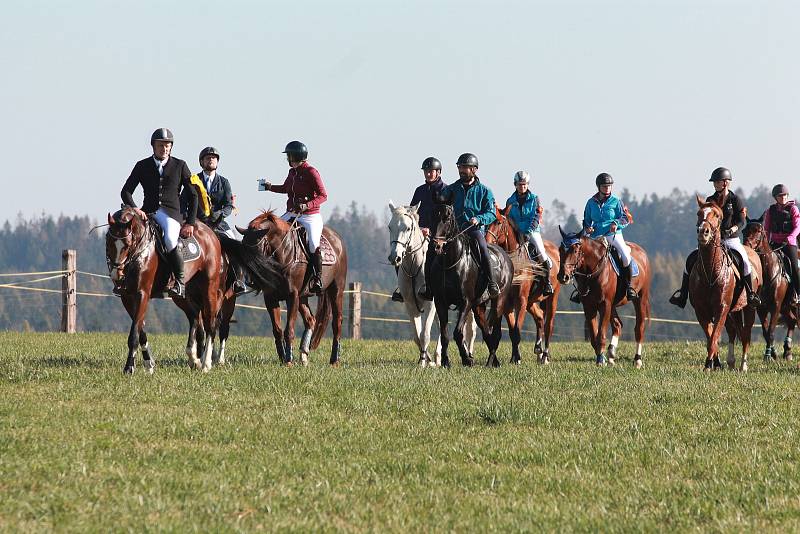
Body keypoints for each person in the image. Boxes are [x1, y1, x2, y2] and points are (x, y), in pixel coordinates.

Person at [669, 167, 761, 308]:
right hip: (712, 240)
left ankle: (751, 294)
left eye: (717, 182)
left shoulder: (735, 200)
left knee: (745, 262)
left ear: (725, 183)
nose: (715, 184)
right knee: (691, 259)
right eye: (714, 182)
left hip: (731, 239)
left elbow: (742, 221)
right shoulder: (710, 200)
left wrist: (732, 229)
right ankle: (683, 294)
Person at [121, 128, 197, 298]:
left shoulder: (180, 165)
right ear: (153, 146)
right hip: (147, 213)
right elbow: (126, 191)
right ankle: (123, 280)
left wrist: (190, 222)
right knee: (128, 239)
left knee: (170, 240)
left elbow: (193, 195)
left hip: (171, 214)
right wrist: (135, 208)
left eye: (168, 145)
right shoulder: (142, 165)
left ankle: (179, 282)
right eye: (161, 145)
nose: (165, 149)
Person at [420, 152, 498, 299]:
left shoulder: (485, 191)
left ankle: (491, 283)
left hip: (473, 230)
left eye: (465, 167)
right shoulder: (451, 189)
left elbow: (492, 213)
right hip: (452, 232)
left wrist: (479, 218)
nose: (461, 170)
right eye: (460, 167)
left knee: (482, 248)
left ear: (474, 169)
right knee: (431, 250)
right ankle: (429, 288)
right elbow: (441, 203)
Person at [259, 141, 327, 294]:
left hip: (310, 216)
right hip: (291, 213)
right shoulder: (292, 172)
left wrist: (307, 205)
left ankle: (317, 278)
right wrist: (270, 187)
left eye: (289, 155)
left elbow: (323, 195)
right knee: (272, 231)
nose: (288, 158)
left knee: (313, 244)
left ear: (296, 156)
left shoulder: (312, 172)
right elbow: (285, 188)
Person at [184, 146, 247, 295]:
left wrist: (220, 214)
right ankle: (179, 279)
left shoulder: (224, 182)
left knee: (236, 245)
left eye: (214, 158)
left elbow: (229, 205)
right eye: (208, 158)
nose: (211, 160)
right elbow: (185, 202)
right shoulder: (194, 180)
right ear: (202, 162)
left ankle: (239, 281)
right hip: (198, 223)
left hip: (219, 224)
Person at [391, 156, 447, 302]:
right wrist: (418, 227)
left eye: (431, 171)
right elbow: (412, 213)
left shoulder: (445, 190)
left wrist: (431, 230)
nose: (428, 173)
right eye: (426, 171)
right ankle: (402, 288)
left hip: (438, 235)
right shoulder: (419, 190)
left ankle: (444, 287)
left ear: (438, 172)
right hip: (419, 232)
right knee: (399, 251)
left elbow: (445, 217)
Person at [582, 172, 636, 301]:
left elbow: (625, 218)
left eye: (609, 186)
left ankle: (629, 287)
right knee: (581, 256)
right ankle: (581, 289)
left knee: (625, 256)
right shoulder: (591, 202)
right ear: (599, 187)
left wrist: (616, 223)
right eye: (605, 186)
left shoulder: (616, 201)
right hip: (596, 235)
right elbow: (586, 219)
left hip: (613, 234)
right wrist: (587, 227)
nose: (607, 189)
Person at [505, 170, 553, 296]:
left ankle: (547, 282)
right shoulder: (510, 201)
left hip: (532, 231)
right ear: (515, 185)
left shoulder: (534, 199)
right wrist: (514, 229)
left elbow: (536, 216)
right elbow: (508, 217)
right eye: (520, 184)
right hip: (516, 231)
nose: (523, 186)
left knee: (541, 253)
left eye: (525, 184)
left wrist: (528, 231)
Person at [763, 183, 800, 305]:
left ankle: (797, 294)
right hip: (775, 243)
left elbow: (797, 226)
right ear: (776, 197)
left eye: (785, 195)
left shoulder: (793, 209)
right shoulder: (770, 211)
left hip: (789, 244)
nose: (783, 197)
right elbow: (766, 229)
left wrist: (790, 237)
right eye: (780, 195)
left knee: (794, 267)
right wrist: (766, 243)